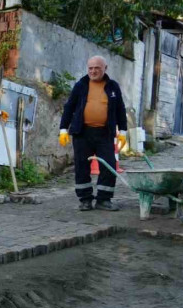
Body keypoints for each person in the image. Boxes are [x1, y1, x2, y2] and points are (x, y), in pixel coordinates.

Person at [59, 55, 128, 211]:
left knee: (109, 165)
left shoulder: (113, 87)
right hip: (82, 133)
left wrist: (123, 131)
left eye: (97, 67)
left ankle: (104, 200)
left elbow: (120, 110)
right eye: (90, 68)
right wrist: (63, 129)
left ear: (105, 68)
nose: (93, 71)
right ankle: (85, 200)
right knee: (82, 166)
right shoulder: (80, 85)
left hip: (105, 133)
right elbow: (69, 107)